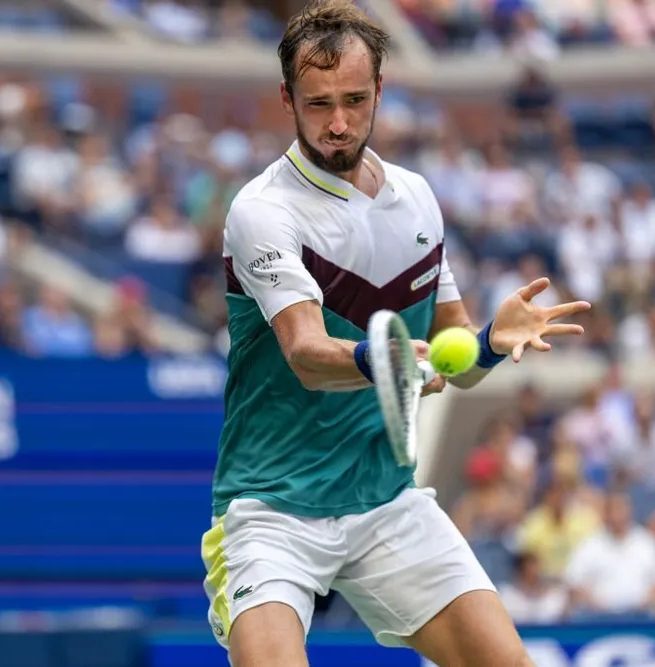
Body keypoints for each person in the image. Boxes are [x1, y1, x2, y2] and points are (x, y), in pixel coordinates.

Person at [200, 2, 591, 666]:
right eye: (319, 104)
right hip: (272, 508)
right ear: (288, 98)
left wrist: (493, 339)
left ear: (380, 89)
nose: (339, 122)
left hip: (385, 500)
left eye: (355, 99)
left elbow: (453, 360)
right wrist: (379, 359)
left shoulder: (415, 199)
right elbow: (305, 353)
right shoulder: (262, 211)